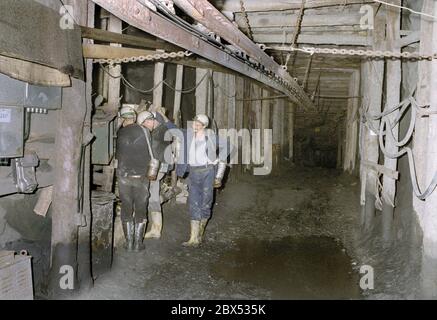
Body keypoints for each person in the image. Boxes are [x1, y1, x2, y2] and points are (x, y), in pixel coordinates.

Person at [173, 114, 232, 247]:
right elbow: (173, 129)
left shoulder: (210, 137)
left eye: (198, 124)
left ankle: (200, 233)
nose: (195, 125)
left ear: (204, 126)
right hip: (194, 172)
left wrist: (219, 159)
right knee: (193, 201)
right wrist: (162, 118)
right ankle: (193, 238)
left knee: (206, 201)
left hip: (208, 172)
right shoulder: (188, 136)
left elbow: (229, 146)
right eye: (194, 123)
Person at [116, 108, 151, 252]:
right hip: (141, 177)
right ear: (135, 117)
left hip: (124, 177)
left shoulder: (118, 133)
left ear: (122, 118)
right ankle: (138, 244)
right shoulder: (144, 131)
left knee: (126, 208)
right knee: (141, 209)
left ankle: (128, 243)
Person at [137, 110, 174, 240]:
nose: (146, 126)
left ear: (152, 120)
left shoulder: (162, 130)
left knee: (152, 196)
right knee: (152, 195)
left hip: (157, 169)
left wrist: (163, 117)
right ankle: (155, 228)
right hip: (157, 168)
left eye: (146, 122)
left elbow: (173, 130)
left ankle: (156, 229)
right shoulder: (156, 132)